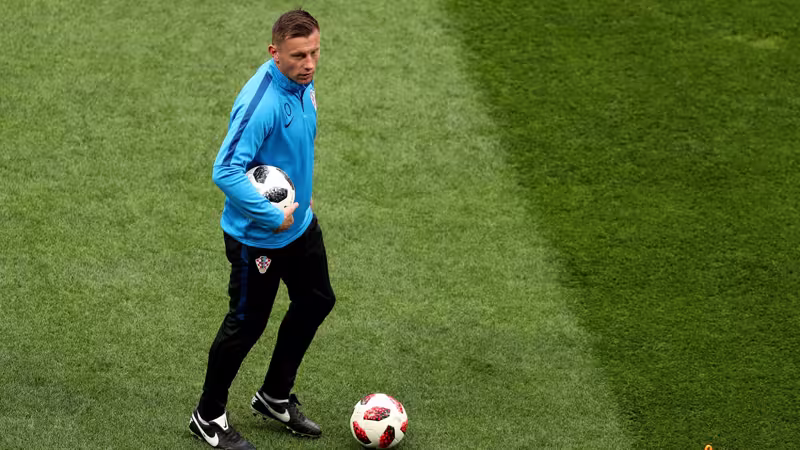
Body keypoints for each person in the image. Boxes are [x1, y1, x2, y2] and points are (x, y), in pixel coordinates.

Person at [188, 9, 334, 450]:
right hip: (257, 239)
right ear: (275, 52)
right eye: (298, 55)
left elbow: (295, 146)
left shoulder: (303, 85)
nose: (309, 63)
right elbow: (225, 170)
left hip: (299, 225)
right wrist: (272, 216)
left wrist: (303, 196)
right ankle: (207, 415)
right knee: (246, 324)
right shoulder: (262, 103)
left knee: (316, 300)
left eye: (314, 52)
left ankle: (274, 395)